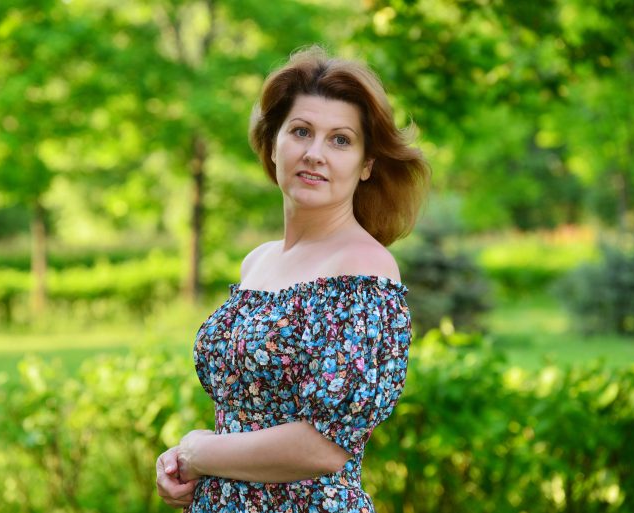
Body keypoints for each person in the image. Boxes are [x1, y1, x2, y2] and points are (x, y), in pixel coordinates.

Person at [155, 45, 430, 512]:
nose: (315, 154)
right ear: (273, 143)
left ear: (366, 165)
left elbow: (323, 446)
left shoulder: (365, 269)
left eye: (340, 140)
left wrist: (198, 451)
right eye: (300, 131)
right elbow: (243, 419)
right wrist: (183, 461)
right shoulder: (257, 263)